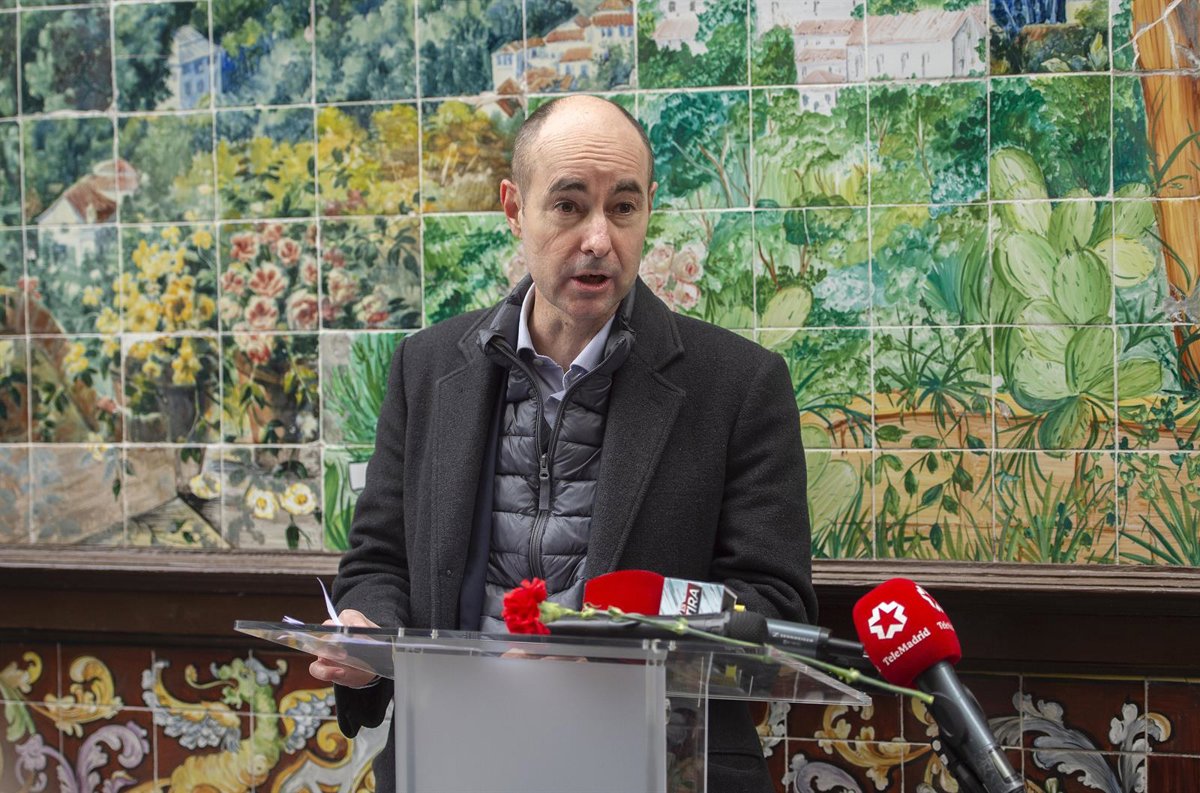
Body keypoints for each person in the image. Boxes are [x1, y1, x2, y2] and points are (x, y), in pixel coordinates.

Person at [310, 94, 815, 792]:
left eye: (623, 208)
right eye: (570, 206)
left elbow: (774, 604)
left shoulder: (739, 384)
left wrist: (613, 652)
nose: (599, 239)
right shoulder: (426, 368)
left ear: (648, 210)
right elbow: (379, 561)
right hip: (455, 757)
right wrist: (368, 632)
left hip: (654, 763)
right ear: (514, 208)